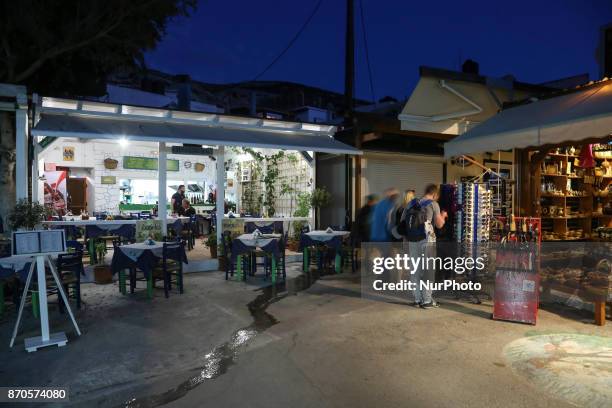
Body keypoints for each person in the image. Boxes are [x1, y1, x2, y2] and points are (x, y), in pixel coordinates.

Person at [403, 184, 447, 309]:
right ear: (435, 194)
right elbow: (439, 225)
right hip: (427, 241)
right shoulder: (433, 204)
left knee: (415, 269)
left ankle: (417, 299)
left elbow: (403, 223)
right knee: (428, 270)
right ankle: (427, 300)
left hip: (412, 240)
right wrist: (443, 216)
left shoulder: (411, 203)